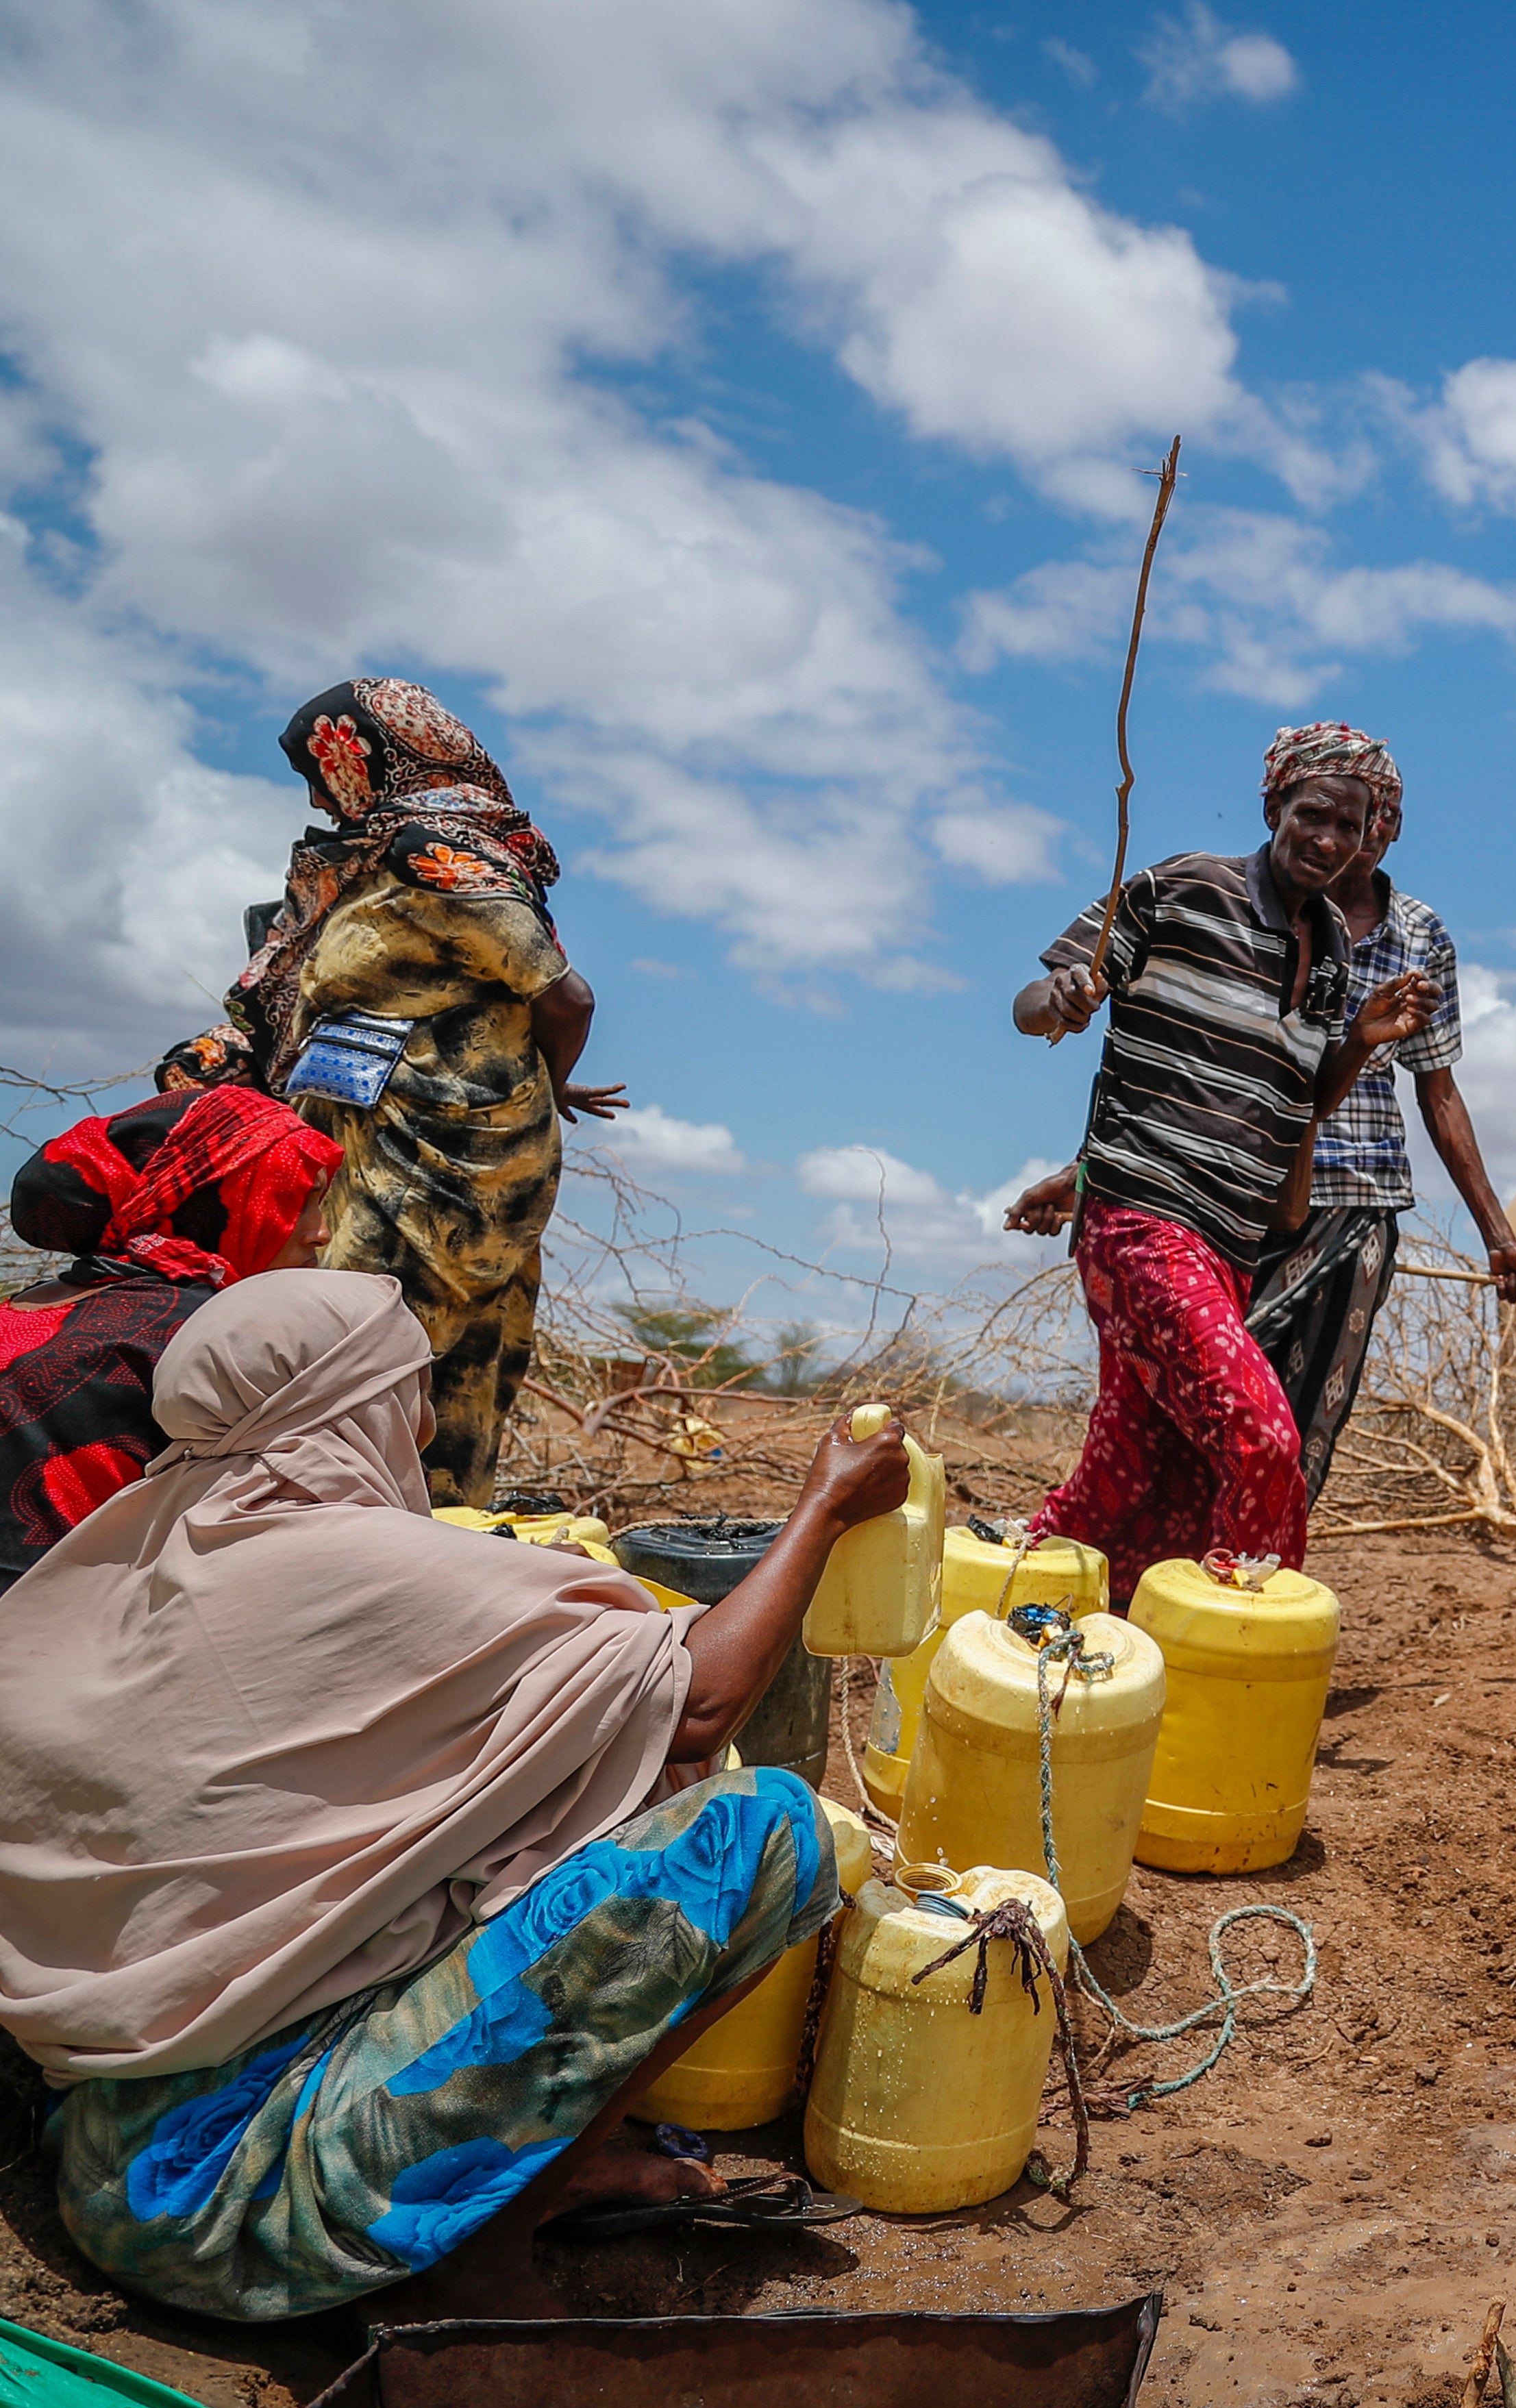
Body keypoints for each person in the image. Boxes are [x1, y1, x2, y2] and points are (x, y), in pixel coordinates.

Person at [0, 1271, 912, 2322]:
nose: (427, 1421)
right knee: (762, 1829)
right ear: (354, 1402)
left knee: (538, 1791)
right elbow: (699, 1701)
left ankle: (543, 2167)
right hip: (247, 2201)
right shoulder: (351, 1559)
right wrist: (825, 1506)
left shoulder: (132, 1549)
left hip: (108, 2164)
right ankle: (492, 2244)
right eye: (411, 1387)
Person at [1008, 725, 1516, 1500]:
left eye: (1368, 821)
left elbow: (1440, 1091)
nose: (1349, 838)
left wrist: (1499, 1234)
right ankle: (1169, 1557)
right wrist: (1085, 1172)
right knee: (1200, 1406)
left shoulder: (1418, 936)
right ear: (1279, 812)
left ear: (1387, 830)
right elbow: (1193, 1078)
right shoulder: (1222, 906)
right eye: (1319, 815)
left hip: (1352, 1198)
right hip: (1229, 1206)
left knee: (1300, 1423)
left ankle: (1253, 1560)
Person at [160, 680, 625, 1506]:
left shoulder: (428, 848)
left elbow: (565, 997)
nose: (317, 798)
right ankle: (395, 1532)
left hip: (437, 1159)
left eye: (322, 773)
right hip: (375, 1142)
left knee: (369, 1346)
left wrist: (552, 1085)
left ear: (368, 758)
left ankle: (371, 1537)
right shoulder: (375, 858)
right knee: (383, 1348)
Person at [2, 1087, 347, 1587]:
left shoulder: (25, 1307)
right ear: (213, 1203)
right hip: (81, 1625)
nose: (321, 1232)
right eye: (293, 1200)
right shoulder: (223, 1335)